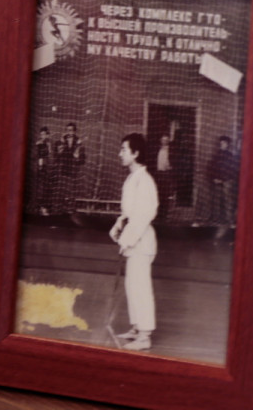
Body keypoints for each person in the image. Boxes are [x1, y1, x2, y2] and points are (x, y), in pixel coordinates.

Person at [109, 133, 159, 351]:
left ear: (135, 153)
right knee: (132, 286)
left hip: (141, 241)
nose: (120, 154)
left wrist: (126, 240)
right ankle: (137, 328)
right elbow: (130, 212)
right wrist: (119, 224)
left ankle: (145, 336)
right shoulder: (133, 178)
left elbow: (144, 215)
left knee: (141, 287)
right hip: (134, 240)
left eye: (124, 149)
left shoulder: (145, 181)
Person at [205, 135, 240, 230]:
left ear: (227, 144)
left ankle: (230, 221)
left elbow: (232, 170)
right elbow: (212, 168)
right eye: (221, 143)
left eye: (224, 143)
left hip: (227, 180)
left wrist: (223, 179)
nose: (222, 144)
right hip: (217, 181)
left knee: (228, 200)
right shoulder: (216, 155)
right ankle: (216, 220)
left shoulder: (230, 156)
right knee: (216, 200)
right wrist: (214, 178)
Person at [33, 126, 52, 216]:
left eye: (44, 134)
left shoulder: (50, 143)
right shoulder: (38, 144)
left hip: (47, 170)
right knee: (39, 188)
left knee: (46, 188)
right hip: (39, 170)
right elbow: (35, 156)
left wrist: (49, 147)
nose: (42, 136)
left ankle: (44, 208)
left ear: (47, 135)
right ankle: (39, 208)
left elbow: (50, 156)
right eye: (41, 134)